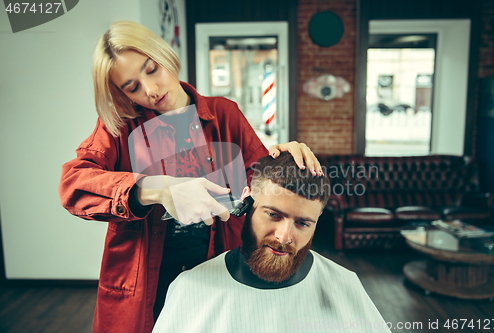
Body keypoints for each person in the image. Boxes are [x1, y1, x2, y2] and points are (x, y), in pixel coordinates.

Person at [58, 21, 323, 333]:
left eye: (152, 69)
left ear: (165, 56)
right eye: (132, 87)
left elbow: (261, 183)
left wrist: (285, 157)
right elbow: (73, 185)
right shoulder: (119, 128)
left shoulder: (226, 115)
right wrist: (152, 188)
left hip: (215, 272)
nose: (151, 90)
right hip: (146, 284)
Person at [152, 153, 391, 333]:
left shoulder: (344, 285)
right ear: (246, 203)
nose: (284, 236)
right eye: (273, 215)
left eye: (302, 223)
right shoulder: (189, 289)